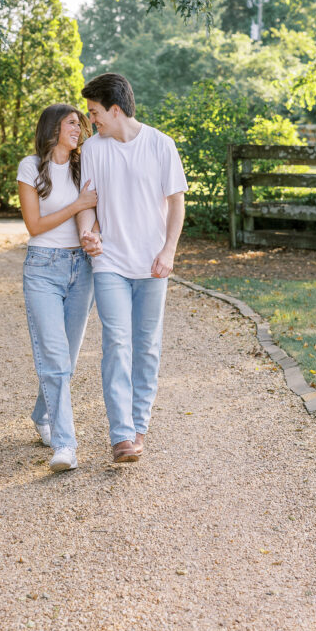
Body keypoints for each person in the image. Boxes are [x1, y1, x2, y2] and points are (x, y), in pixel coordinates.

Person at [76, 73, 187, 463]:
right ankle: (122, 435)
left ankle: (140, 426)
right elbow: (87, 202)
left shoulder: (160, 145)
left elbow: (176, 203)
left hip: (152, 264)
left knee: (147, 347)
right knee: (117, 344)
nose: (92, 121)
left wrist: (169, 251)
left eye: (94, 112)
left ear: (115, 109)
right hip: (109, 263)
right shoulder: (93, 149)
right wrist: (88, 234)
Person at [17, 103, 99, 473]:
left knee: (66, 360)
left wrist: (89, 232)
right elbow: (34, 225)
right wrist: (78, 204)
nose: (78, 130)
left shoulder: (85, 166)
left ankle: (41, 414)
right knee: (53, 357)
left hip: (81, 268)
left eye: (80, 125)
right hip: (42, 269)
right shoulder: (31, 167)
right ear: (53, 128)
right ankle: (66, 445)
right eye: (71, 124)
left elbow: (93, 212)